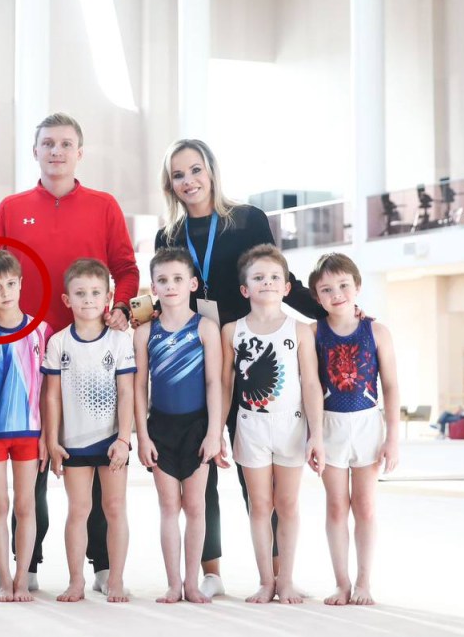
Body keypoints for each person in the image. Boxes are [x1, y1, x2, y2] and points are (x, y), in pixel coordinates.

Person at [0, 112, 139, 593]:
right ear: (35, 151)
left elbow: (126, 268)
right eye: (48, 143)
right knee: (34, 464)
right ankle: (29, 563)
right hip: (26, 354)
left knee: (97, 461)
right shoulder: (12, 207)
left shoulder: (104, 205)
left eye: (65, 144)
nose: (57, 151)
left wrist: (121, 306)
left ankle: (102, 565)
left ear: (79, 152)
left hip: (91, 354)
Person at [152, 138, 327, 597]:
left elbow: (277, 276)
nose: (189, 181)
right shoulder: (168, 236)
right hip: (196, 362)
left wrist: (328, 314)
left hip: (250, 357)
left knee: (262, 475)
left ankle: (277, 573)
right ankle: (209, 571)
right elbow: (165, 295)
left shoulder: (247, 219)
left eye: (195, 170)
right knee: (200, 467)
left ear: (211, 170)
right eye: (178, 175)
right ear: (169, 184)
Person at [223, 244, 325, 604]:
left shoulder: (301, 330)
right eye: (258, 277)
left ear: (286, 287)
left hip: (292, 427)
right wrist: (217, 431)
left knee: (288, 504)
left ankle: (287, 580)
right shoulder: (232, 331)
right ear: (245, 289)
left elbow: (311, 384)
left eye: (274, 277)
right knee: (260, 505)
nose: (267, 282)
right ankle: (266, 580)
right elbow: (225, 385)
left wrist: (316, 435)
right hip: (250, 425)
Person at [308, 252, 400, 605]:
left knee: (365, 506)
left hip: (367, 425)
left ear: (358, 287)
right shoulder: (313, 333)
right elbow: (310, 386)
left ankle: (364, 581)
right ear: (317, 297)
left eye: (344, 285)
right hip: (329, 425)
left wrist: (393, 438)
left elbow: (390, 387)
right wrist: (315, 437)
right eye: (326, 289)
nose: (337, 294)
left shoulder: (376, 331)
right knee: (335, 506)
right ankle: (341, 582)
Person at [132, 248, 222, 604]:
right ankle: (173, 584)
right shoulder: (145, 333)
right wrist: (143, 435)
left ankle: (192, 583)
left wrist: (214, 433)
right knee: (169, 507)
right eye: (163, 280)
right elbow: (139, 387)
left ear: (192, 284)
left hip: (197, 427)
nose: (170, 286)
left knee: (195, 507)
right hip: (161, 428)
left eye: (178, 279)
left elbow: (214, 383)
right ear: (153, 287)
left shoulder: (205, 327)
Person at [43, 259, 135, 603]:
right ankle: (75, 581)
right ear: (67, 299)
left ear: (108, 297)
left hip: (112, 442)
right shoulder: (58, 343)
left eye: (96, 293)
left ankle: (116, 580)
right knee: (78, 510)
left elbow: (127, 392)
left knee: (115, 508)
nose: (88, 300)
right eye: (80, 293)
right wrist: (52, 441)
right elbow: (52, 396)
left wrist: (124, 439)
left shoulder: (119, 341)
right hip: (74, 443)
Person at [0, 249, 51, 602]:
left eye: (11, 284)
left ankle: (21, 579)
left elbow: (48, 390)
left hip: (30, 433)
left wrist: (48, 435)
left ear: (21, 283)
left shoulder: (41, 330)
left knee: (25, 505)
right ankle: (4, 579)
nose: (5, 292)